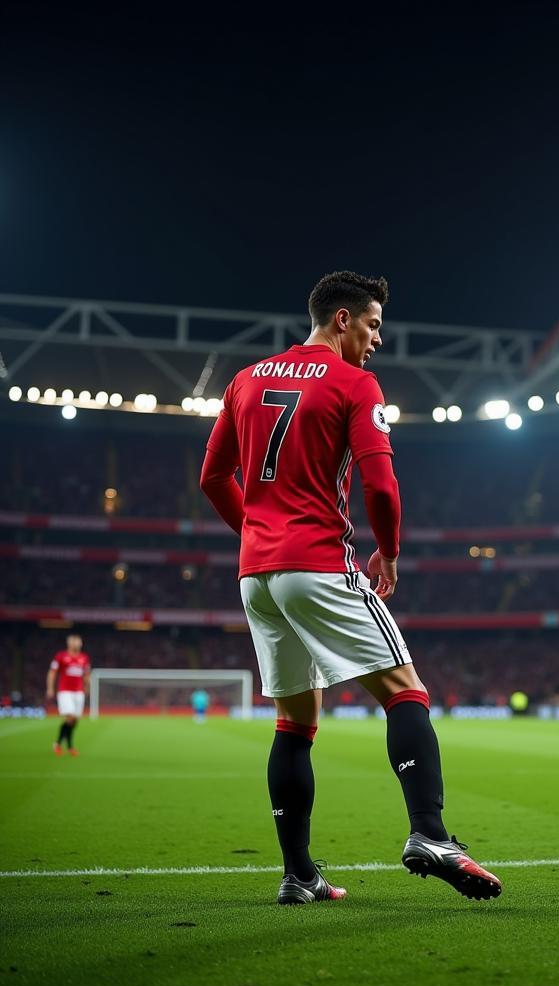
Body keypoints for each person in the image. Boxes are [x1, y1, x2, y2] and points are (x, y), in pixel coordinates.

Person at [200, 270, 502, 906]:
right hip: (317, 562)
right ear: (342, 319)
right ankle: (431, 835)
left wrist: (255, 531)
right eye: (372, 326)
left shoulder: (245, 380)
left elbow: (212, 476)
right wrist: (387, 554)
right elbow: (381, 486)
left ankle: (298, 874)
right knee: (405, 692)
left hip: (258, 575)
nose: (375, 341)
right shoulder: (353, 384)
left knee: (294, 722)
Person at [46, 633, 90, 756]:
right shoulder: (61, 656)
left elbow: (86, 674)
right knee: (70, 717)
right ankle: (64, 745)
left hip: (79, 692)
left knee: (75, 720)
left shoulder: (84, 657)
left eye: (79, 641)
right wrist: (50, 688)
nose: (78, 644)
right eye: (75, 641)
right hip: (65, 691)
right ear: (69, 643)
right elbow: (52, 672)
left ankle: (63, 744)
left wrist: (87, 687)